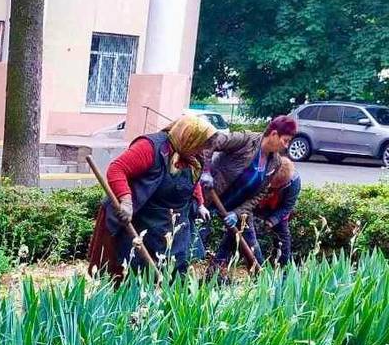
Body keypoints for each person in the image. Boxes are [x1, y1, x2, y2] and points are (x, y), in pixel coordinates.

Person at [88, 114, 216, 281]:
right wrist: (126, 201)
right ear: (189, 137)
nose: (202, 150)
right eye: (200, 144)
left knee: (174, 270)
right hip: (141, 218)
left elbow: (191, 181)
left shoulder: (192, 156)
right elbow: (116, 169)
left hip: (172, 223)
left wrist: (200, 203)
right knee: (133, 273)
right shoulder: (150, 147)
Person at [203, 115, 297, 270]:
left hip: (238, 208)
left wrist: (237, 213)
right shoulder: (246, 140)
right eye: (285, 140)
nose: (286, 146)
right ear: (274, 134)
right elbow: (211, 143)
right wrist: (206, 171)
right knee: (194, 242)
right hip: (210, 197)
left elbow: (258, 196)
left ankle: (220, 276)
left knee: (252, 250)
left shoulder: (275, 162)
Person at [253, 159, 300, 267]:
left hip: (278, 211)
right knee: (250, 236)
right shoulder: (262, 172)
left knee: (283, 241)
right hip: (256, 207)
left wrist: (272, 221)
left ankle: (282, 267)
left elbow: (287, 206)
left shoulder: (294, 182)